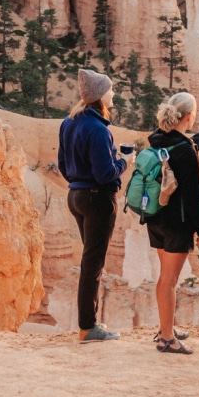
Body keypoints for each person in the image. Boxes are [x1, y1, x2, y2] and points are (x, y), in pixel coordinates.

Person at [145, 91, 199, 354]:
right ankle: (167, 338)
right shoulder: (184, 150)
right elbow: (194, 195)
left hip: (155, 217)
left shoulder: (157, 139)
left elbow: (187, 144)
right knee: (170, 280)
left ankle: (167, 327)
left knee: (165, 277)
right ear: (189, 116)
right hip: (177, 223)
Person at [58, 68, 126, 342]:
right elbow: (105, 173)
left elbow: (63, 165)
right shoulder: (98, 129)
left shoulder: (69, 122)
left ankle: (90, 321)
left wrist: (78, 182)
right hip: (97, 198)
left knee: (90, 260)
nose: (113, 93)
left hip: (76, 195)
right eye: (110, 89)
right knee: (92, 264)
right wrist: (124, 163)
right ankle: (88, 326)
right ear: (99, 96)